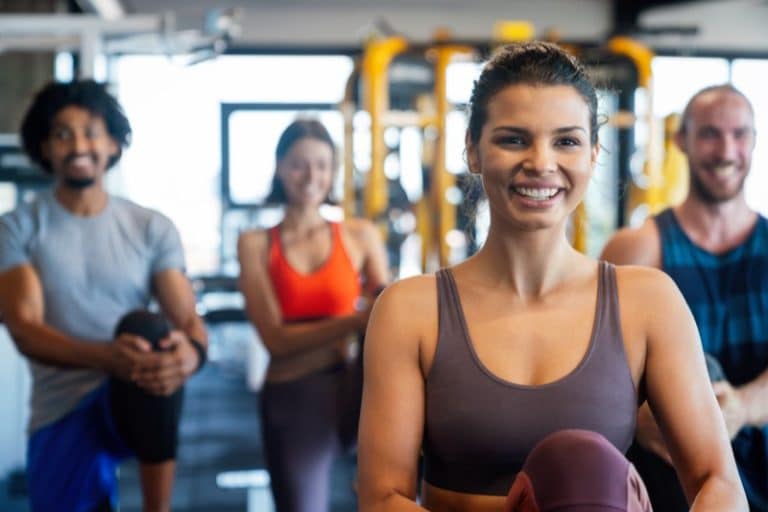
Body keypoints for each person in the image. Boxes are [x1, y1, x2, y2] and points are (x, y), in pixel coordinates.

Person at [357, 42, 747, 511]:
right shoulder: (410, 311)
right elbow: (383, 498)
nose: (541, 162)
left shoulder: (648, 302)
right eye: (514, 139)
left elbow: (717, 481)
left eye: (566, 141)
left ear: (593, 153)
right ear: (473, 151)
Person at [0, 80, 208, 512]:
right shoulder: (18, 227)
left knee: (151, 329)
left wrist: (193, 354)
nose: (79, 144)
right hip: (61, 405)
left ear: (112, 143)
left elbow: (188, 323)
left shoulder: (150, 227)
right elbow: (25, 331)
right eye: (63, 133)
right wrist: (108, 356)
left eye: (91, 131)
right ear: (45, 147)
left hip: (134, 391)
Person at [601, 84, 768, 510]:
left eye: (740, 134)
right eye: (711, 133)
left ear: (754, 140)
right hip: (672, 473)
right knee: (698, 369)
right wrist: (640, 420)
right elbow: (598, 373)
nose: (726, 150)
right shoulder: (636, 250)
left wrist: (742, 409)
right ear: (682, 140)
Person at [237, 119, 389, 512]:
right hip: (295, 397)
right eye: (299, 164)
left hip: (357, 390)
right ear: (279, 167)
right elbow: (276, 340)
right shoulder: (255, 244)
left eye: (322, 165)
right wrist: (356, 321)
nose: (311, 176)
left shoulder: (359, 235)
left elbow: (389, 314)